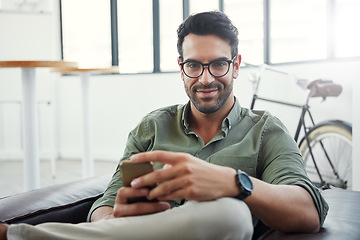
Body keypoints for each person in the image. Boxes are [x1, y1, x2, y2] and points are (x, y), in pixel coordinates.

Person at [0, 11, 328, 240]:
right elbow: (103, 208)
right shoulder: (152, 127)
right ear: (181, 67)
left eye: (218, 64)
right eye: (194, 65)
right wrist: (118, 215)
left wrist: (233, 183)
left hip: (221, 231)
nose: (206, 78)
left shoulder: (266, 130)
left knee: (232, 213)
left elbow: (309, 212)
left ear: (236, 65)